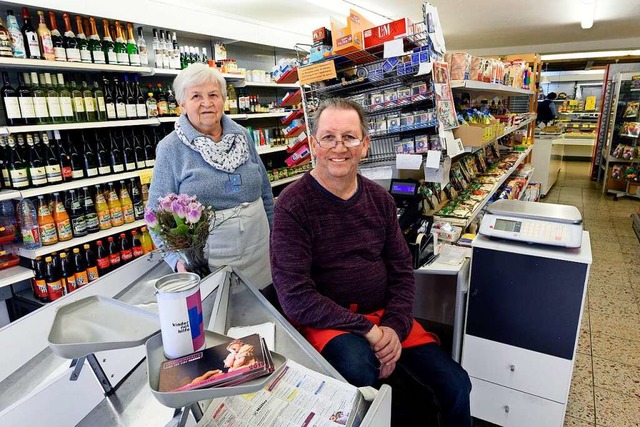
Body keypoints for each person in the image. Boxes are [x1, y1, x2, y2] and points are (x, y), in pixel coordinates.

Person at [270, 98, 472, 426]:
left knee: (455, 385)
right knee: (360, 370)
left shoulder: (379, 200)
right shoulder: (293, 206)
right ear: (313, 145)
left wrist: (392, 326)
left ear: (365, 145)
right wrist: (371, 333)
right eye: (328, 137)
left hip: (384, 316)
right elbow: (295, 297)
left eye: (349, 137)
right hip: (328, 323)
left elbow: (402, 271)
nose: (339, 147)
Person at [147, 63, 274, 287]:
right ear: (181, 103)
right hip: (209, 260)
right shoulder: (171, 148)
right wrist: (177, 261)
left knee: (264, 307)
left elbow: (265, 193)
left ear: (223, 99)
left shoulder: (242, 136)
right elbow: (155, 214)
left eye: (213, 94)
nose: (207, 103)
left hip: (260, 251)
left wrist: (276, 236)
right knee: (221, 313)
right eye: (196, 96)